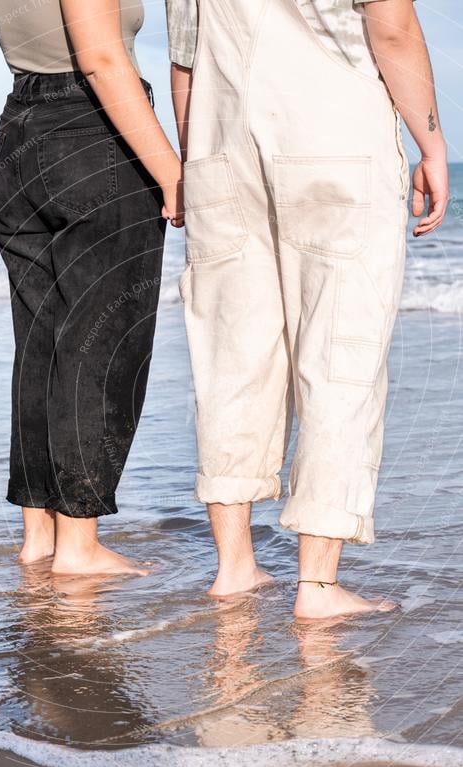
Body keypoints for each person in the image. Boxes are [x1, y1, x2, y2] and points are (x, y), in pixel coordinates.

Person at [167, 0, 449, 618]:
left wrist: (194, 163)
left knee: (229, 357)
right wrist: (431, 142)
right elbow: (393, 26)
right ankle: (317, 587)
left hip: (219, 148)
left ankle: (234, 567)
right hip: (335, 141)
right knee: (339, 352)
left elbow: (184, 60)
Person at [0, 0, 183, 576]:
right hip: (93, 136)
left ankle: (40, 537)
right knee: (101, 342)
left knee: (41, 345)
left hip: (20, 138)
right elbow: (101, 58)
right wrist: (172, 172)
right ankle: (80, 546)